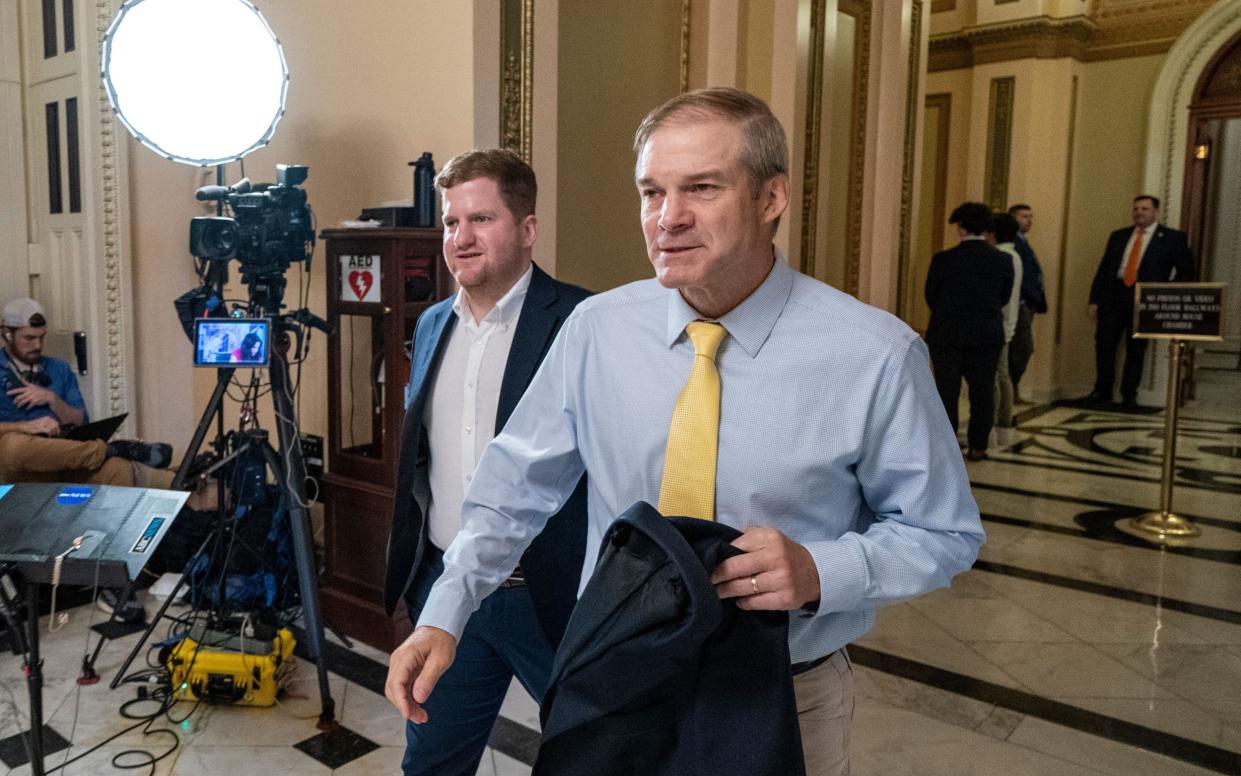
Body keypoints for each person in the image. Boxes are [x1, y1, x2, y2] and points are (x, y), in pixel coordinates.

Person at [385, 88, 984, 776]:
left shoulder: (874, 355)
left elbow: (944, 533)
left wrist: (825, 568)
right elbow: (514, 487)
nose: (667, 218)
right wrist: (445, 611)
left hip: (781, 695)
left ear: (770, 198)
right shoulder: (597, 332)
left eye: (701, 188)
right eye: (650, 192)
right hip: (619, 676)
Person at [383, 149, 590, 776]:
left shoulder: (584, 322)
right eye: (451, 223)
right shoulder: (430, 325)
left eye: (481, 219)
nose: (461, 238)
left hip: (550, 596)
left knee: (594, 755)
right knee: (431, 763)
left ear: (528, 229)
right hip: (451, 595)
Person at [0, 297, 174, 622]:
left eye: (41, 338)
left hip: (65, 459)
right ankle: (110, 447)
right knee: (12, 445)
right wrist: (26, 425)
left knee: (117, 470)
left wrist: (51, 400)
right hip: (16, 470)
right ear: (6, 333)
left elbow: (80, 419)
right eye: (28, 338)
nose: (37, 345)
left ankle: (113, 583)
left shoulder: (58, 369)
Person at [1082, 195, 1196, 408]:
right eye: (1136, 209)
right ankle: (1102, 391)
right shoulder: (1118, 236)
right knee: (1105, 345)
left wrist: (1162, 294)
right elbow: (1104, 269)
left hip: (1145, 298)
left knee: (1136, 349)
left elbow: (1186, 272)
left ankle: (1129, 395)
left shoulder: (1172, 238)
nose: (1139, 213)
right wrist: (1094, 299)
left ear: (1155, 212)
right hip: (1113, 296)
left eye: (1144, 209)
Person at [924, 203, 1014, 461]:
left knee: (946, 391)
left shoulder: (943, 259)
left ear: (961, 228)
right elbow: (1004, 297)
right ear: (987, 228)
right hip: (986, 334)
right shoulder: (1003, 260)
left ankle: (948, 446)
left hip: (947, 332)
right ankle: (978, 445)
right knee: (983, 390)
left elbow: (931, 295)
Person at [1006, 204, 1046, 402]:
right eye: (1024, 216)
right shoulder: (1013, 243)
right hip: (1019, 303)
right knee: (1023, 346)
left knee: (1020, 347)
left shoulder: (1024, 242)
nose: (1029, 220)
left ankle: (1012, 387)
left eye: (1031, 216)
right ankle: (1010, 387)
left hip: (1027, 304)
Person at [992, 212, 1024, 441]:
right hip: (1006, 323)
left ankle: (1000, 417)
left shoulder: (1004, 256)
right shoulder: (1013, 255)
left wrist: (1007, 326)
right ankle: (1004, 416)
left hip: (1001, 324)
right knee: (1002, 373)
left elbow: (1006, 298)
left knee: (998, 374)